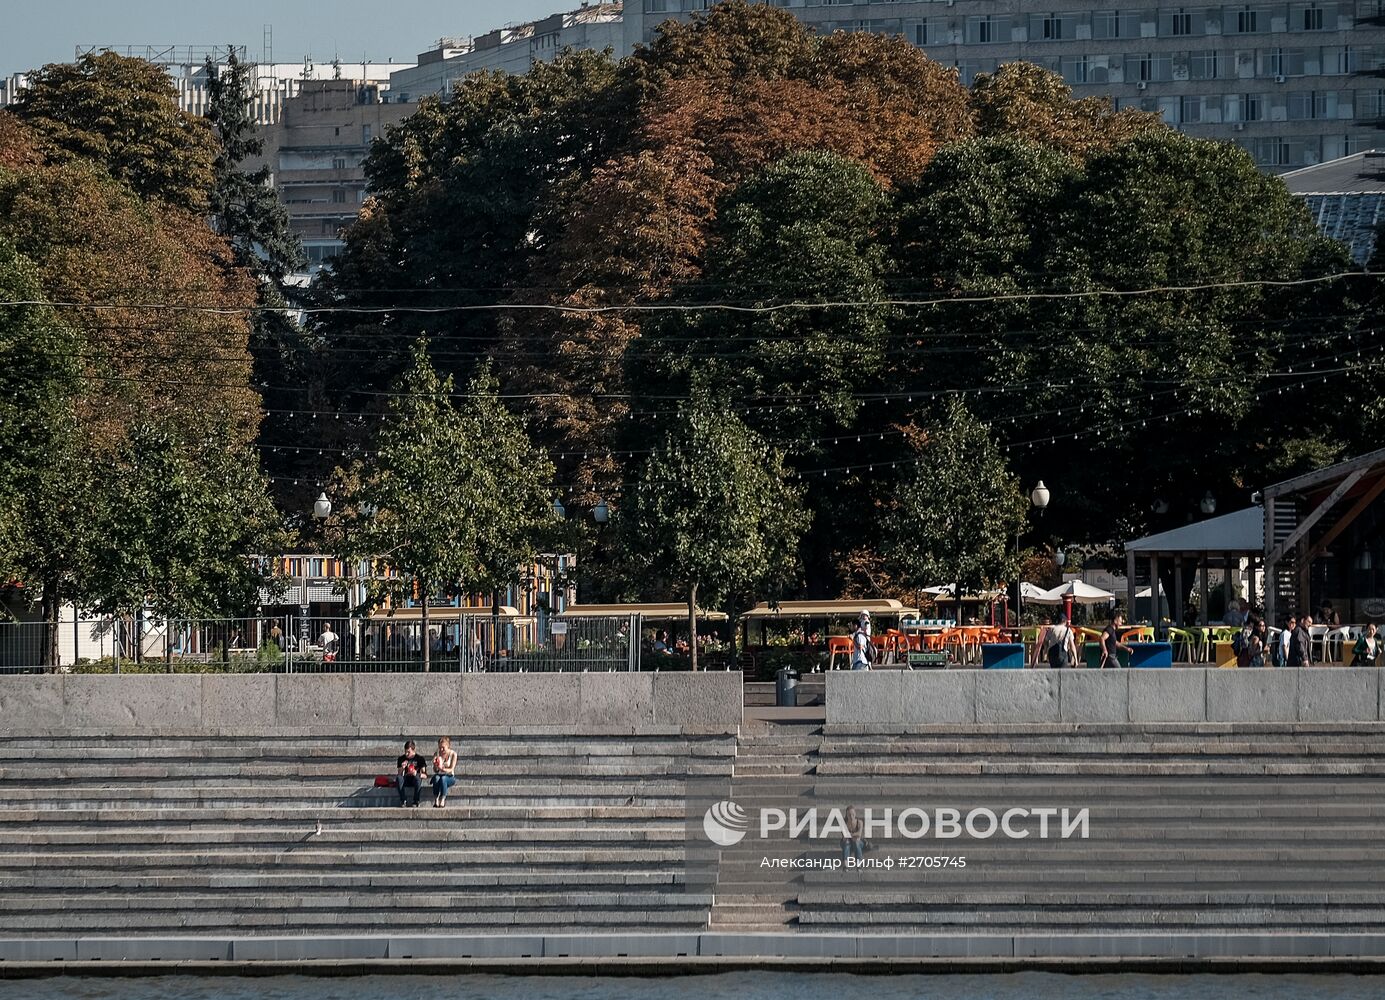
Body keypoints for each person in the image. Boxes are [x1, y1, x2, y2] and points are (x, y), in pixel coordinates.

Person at [396, 740, 428, 807]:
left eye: (408, 752)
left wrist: (416, 773)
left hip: (415, 779)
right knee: (398, 778)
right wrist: (402, 768)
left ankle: (416, 801)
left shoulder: (420, 759)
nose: (406, 754)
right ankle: (403, 800)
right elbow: (399, 774)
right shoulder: (401, 759)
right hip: (406, 779)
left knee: (418, 778)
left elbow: (425, 775)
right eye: (405, 752)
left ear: (414, 750)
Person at [431, 736, 458, 808]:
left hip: (449, 776)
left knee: (443, 779)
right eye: (440, 747)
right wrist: (435, 765)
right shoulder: (437, 754)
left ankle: (442, 799)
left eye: (443, 747)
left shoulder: (453, 754)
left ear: (448, 746)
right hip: (439, 774)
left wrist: (443, 769)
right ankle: (436, 799)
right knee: (436, 778)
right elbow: (435, 770)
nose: (441, 749)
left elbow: (451, 768)